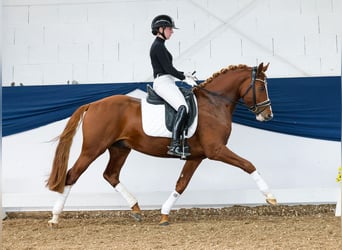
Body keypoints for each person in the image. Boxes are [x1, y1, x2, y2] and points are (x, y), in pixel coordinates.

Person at [150, 14, 197, 157]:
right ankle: (175, 145)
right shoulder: (157, 46)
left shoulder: (161, 45)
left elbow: (168, 68)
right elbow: (168, 69)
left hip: (168, 80)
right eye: (170, 29)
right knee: (182, 107)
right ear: (161, 29)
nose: (172, 31)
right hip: (163, 82)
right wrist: (183, 78)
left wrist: (185, 74)